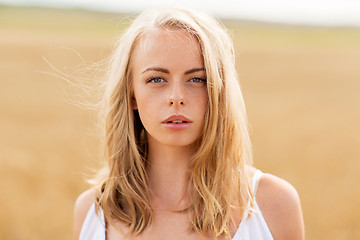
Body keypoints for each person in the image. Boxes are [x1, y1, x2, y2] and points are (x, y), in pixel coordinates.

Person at [73, 7, 304, 240]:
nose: (176, 97)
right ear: (131, 94)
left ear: (218, 92)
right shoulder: (93, 214)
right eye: (156, 79)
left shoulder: (272, 206)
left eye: (197, 79)